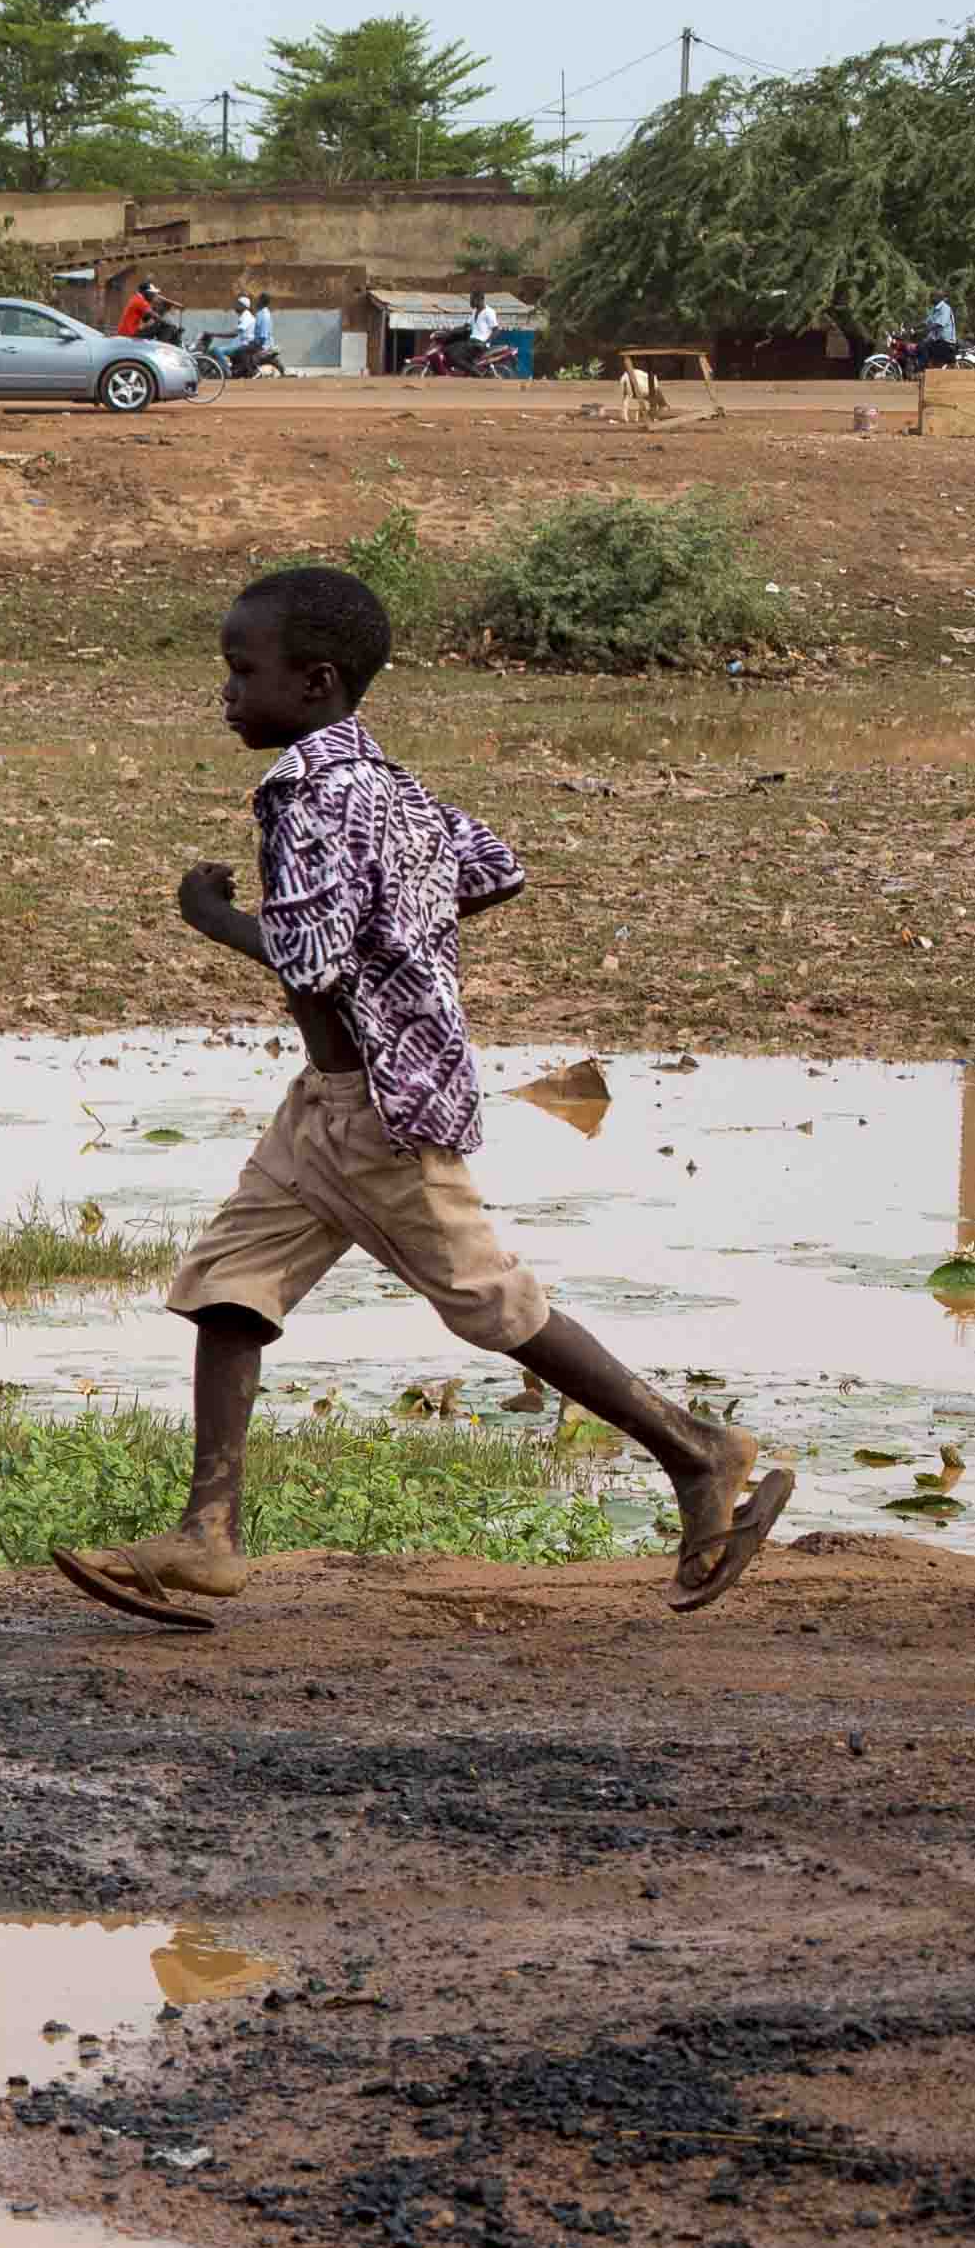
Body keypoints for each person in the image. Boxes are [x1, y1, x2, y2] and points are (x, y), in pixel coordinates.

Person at [51, 565, 788, 1630]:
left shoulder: (306, 798)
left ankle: (694, 1451)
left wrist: (203, 913)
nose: (223, 691)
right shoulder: (389, 787)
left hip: (375, 1112)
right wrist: (406, 951)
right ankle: (206, 1538)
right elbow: (492, 868)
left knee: (491, 1303)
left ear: (311, 683)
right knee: (227, 1285)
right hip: (329, 1100)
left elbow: (305, 961)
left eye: (237, 670)